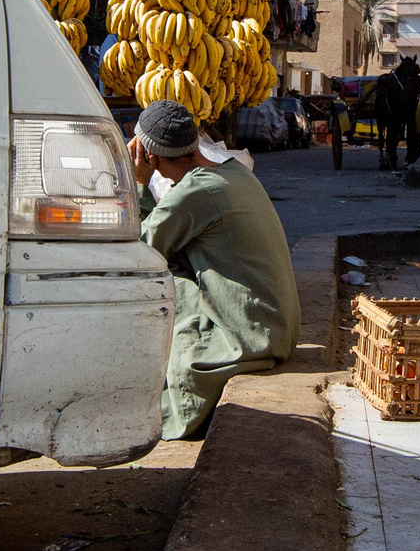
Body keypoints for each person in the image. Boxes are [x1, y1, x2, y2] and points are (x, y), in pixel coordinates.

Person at [128, 100, 301, 440]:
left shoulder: (197, 191)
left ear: (152, 157)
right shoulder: (234, 170)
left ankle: (182, 390)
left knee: (168, 278)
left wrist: (138, 183)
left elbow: (142, 250)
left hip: (254, 338)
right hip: (282, 328)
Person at [378, 55, 420, 172]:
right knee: (392, 131)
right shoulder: (394, 82)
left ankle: (411, 156)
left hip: (409, 109)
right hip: (394, 112)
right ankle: (391, 157)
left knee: (412, 130)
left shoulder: (414, 81)